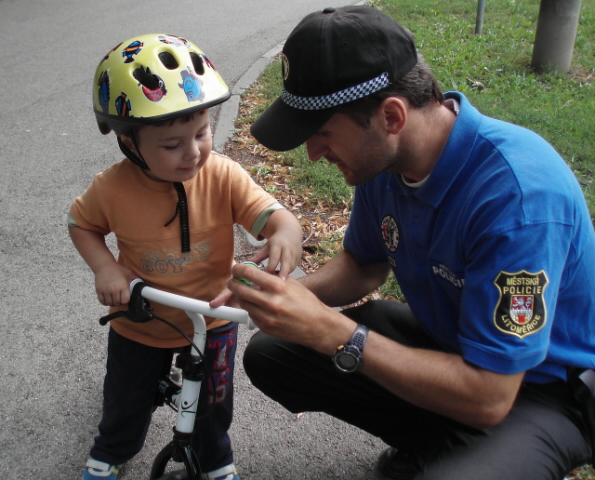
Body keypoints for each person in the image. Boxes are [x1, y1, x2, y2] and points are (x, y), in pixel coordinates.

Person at [221, 6, 595, 480]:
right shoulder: (383, 161)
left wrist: (334, 331)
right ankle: (434, 442)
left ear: (392, 115)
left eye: (321, 133)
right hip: (454, 344)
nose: (314, 153)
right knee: (274, 355)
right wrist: (284, 296)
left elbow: (490, 395)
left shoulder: (518, 199)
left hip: (544, 390)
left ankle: (476, 454)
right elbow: (363, 265)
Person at [69, 33, 302, 480]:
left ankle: (215, 460)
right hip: (140, 315)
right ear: (129, 142)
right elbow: (82, 224)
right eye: (171, 145)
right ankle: (111, 452)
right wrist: (106, 267)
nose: (193, 152)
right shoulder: (112, 188)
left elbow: (274, 217)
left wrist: (284, 234)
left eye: (202, 133)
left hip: (210, 316)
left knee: (215, 400)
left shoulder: (223, 176)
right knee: (126, 396)